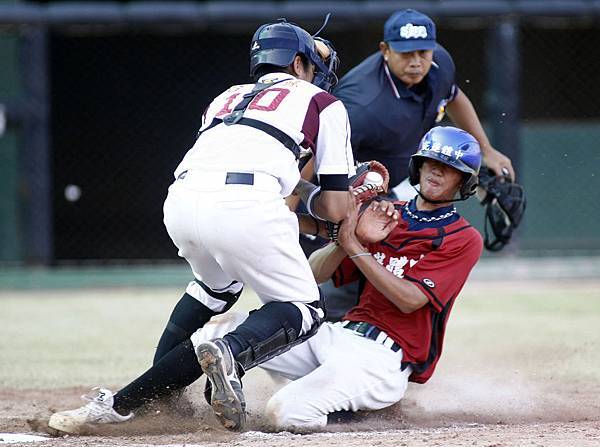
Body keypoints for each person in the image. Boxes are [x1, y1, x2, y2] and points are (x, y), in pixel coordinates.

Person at [47, 126, 482, 433]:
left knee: (286, 414)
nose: (435, 171)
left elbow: (409, 301)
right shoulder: (388, 216)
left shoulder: (463, 238)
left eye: (448, 168)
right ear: (417, 163)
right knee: (219, 332)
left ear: (463, 183)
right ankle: (131, 405)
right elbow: (310, 278)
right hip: (338, 335)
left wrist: (357, 247)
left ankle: (368, 409)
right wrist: (343, 235)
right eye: (430, 161)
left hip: (382, 359)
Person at [48, 19, 355, 434]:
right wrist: (357, 191)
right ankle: (230, 352)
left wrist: (297, 186)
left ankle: (130, 404)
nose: (318, 74)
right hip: (246, 203)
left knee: (213, 290)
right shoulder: (322, 102)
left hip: (182, 199)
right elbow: (336, 208)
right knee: (305, 311)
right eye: (312, 64)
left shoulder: (225, 96)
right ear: (298, 62)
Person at [314, 8, 514, 320]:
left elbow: (454, 96)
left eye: (423, 52)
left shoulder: (438, 64)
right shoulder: (363, 103)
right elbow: (316, 152)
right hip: (348, 191)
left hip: (392, 184)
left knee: (401, 252)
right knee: (332, 277)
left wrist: (486, 149)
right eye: (406, 53)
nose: (416, 61)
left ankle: (364, 331)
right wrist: (294, 203)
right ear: (385, 50)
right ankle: (306, 326)